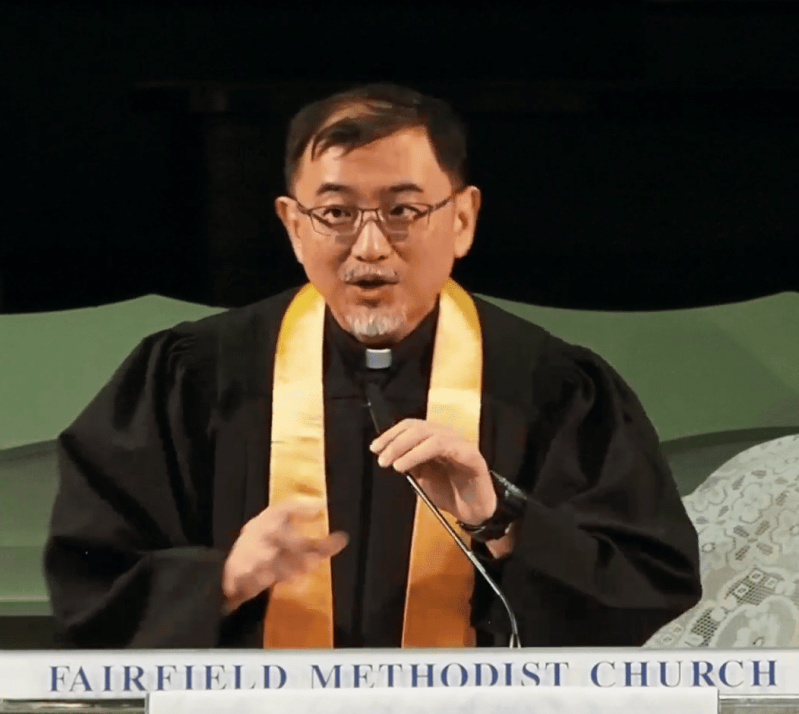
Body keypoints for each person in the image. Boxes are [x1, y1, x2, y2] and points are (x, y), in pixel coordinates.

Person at [43, 82, 701, 649]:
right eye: (335, 213)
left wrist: (499, 518)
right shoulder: (193, 376)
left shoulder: (552, 387)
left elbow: (645, 594)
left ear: (462, 219)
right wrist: (224, 579)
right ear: (292, 224)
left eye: (402, 211)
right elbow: (90, 582)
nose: (369, 246)